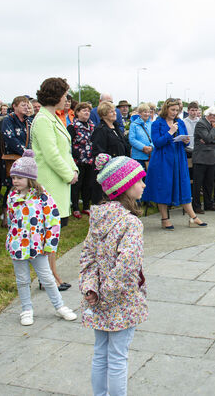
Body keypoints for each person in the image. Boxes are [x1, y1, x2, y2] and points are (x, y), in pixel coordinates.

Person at [79, 155, 148, 396]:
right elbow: (127, 264)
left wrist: (91, 288)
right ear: (124, 186)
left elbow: (87, 257)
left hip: (99, 299)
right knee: (118, 357)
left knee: (101, 353)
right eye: (139, 180)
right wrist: (108, 294)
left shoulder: (98, 217)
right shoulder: (131, 223)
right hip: (121, 300)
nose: (143, 185)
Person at [5, 150, 77, 326]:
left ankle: (59, 306)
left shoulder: (42, 197)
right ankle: (26, 309)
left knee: (47, 278)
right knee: (22, 280)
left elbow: (53, 221)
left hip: (38, 246)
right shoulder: (12, 197)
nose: (15, 181)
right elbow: (11, 219)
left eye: (19, 178)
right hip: (18, 245)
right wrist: (11, 240)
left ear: (30, 178)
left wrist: (50, 244)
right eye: (13, 178)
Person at [31, 77, 79, 290]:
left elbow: (64, 151)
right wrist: (68, 174)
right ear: (56, 95)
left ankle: (51, 274)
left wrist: (73, 169)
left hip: (59, 181)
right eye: (65, 94)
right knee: (48, 232)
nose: (67, 99)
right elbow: (50, 154)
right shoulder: (42, 119)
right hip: (49, 181)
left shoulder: (53, 117)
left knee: (53, 232)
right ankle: (48, 276)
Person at [142, 99, 206, 229]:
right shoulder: (157, 124)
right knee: (163, 188)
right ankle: (164, 219)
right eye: (172, 110)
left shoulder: (180, 122)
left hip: (178, 159)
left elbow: (185, 140)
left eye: (177, 110)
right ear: (166, 109)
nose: (174, 112)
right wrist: (170, 132)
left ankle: (193, 217)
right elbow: (157, 143)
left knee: (183, 186)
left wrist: (186, 141)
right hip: (163, 160)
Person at [192, 107, 215, 213]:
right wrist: (214, 130)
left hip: (211, 158)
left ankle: (208, 204)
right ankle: (196, 206)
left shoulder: (213, 125)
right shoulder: (201, 124)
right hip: (201, 158)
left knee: (209, 183)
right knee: (198, 184)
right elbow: (208, 138)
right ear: (210, 115)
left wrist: (210, 139)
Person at [68, 102, 95, 218]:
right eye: (84, 110)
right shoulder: (72, 126)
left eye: (88, 111)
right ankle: (75, 207)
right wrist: (75, 154)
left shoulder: (92, 125)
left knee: (88, 184)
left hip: (90, 159)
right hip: (77, 160)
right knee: (77, 185)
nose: (87, 112)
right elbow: (68, 143)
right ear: (77, 112)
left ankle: (86, 206)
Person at [128, 103, 154, 171]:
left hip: (150, 156)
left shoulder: (151, 124)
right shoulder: (134, 125)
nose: (147, 114)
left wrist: (151, 146)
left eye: (148, 112)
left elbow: (155, 137)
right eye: (145, 112)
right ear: (139, 113)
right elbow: (132, 139)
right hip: (138, 156)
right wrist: (143, 147)